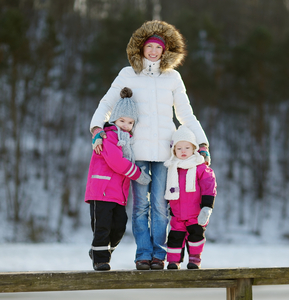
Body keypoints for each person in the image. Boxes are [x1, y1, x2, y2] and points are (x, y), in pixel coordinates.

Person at [89, 20, 211, 270]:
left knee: (159, 206)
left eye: (159, 47)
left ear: (165, 51)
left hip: (166, 153)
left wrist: (202, 143)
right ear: (141, 48)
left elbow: (186, 115)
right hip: (137, 152)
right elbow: (106, 104)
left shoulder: (173, 77)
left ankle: (159, 254)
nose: (153, 51)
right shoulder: (127, 74)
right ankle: (143, 254)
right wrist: (97, 129)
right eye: (150, 46)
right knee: (140, 207)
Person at [85, 87, 151, 271]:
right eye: (122, 120)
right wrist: (138, 175)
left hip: (118, 194)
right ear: (114, 118)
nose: (125, 125)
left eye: (130, 122)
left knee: (120, 226)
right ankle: (100, 260)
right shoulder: (109, 136)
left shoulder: (128, 141)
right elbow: (116, 162)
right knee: (102, 227)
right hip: (102, 190)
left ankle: (100, 252)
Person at [164, 125, 216, 269]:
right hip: (177, 214)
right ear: (174, 150)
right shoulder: (172, 168)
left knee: (196, 237)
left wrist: (207, 206)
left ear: (194, 149)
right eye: (179, 148)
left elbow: (209, 186)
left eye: (187, 147)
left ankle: (194, 260)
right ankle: (174, 261)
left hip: (196, 213)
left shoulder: (200, 167)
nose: (183, 151)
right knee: (175, 238)